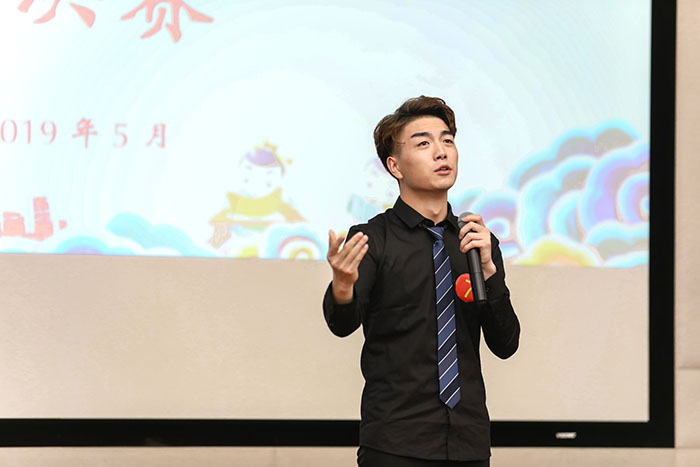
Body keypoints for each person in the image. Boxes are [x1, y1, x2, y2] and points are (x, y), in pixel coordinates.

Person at [323, 96, 520, 466]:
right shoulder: (372, 239)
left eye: (447, 141)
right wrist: (343, 285)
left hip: (468, 442)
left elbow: (506, 343)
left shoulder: (476, 241)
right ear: (394, 165)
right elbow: (342, 323)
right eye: (424, 143)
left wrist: (491, 275)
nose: (441, 152)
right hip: (395, 444)